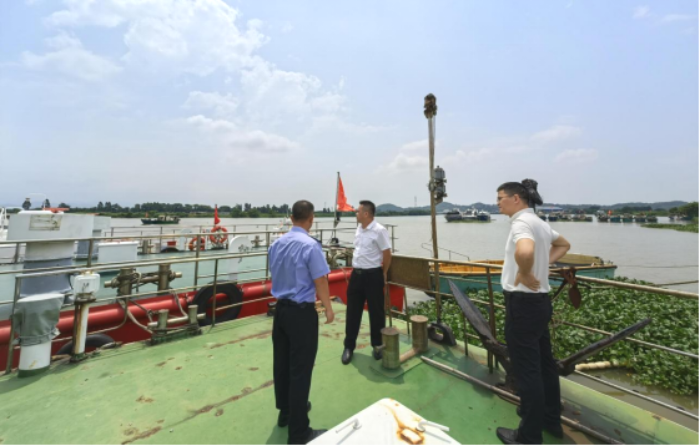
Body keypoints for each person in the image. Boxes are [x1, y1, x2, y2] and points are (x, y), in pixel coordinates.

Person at [495, 180, 572, 446]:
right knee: (545, 365)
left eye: (500, 198)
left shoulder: (521, 223)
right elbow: (564, 244)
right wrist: (542, 263)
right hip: (540, 303)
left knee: (527, 371)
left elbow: (525, 250)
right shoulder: (539, 222)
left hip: (523, 304)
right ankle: (551, 420)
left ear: (516, 199)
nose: (497, 203)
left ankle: (528, 437)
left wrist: (526, 272)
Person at [269, 200, 335, 445]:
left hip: (281, 311)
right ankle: (299, 433)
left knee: (282, 364)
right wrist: (328, 308)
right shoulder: (310, 245)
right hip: (301, 313)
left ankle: (286, 412)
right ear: (311, 219)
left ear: (292, 218)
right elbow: (320, 280)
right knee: (300, 370)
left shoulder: (276, 244)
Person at [342, 200, 393, 365]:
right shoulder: (359, 229)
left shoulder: (379, 230)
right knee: (352, 311)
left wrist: (383, 273)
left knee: (376, 312)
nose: (356, 214)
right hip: (356, 275)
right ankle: (349, 346)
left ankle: (377, 345)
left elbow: (387, 254)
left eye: (358, 211)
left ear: (366, 214)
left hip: (373, 275)